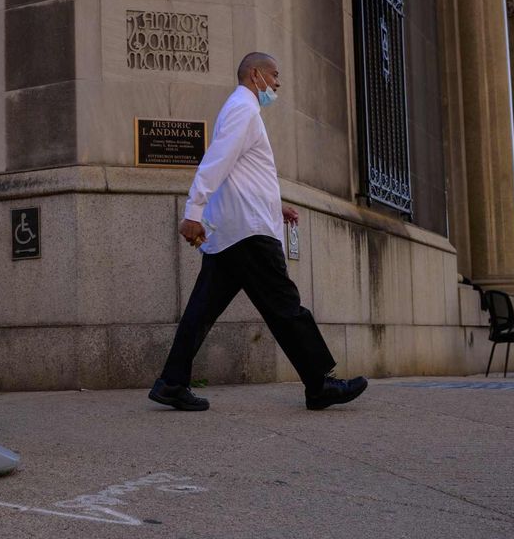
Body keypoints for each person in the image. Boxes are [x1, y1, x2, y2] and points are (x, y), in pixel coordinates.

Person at [148, 52, 368, 411]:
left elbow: (239, 172)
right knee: (286, 307)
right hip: (249, 236)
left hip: (235, 233)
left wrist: (274, 206)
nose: (278, 84)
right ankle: (319, 385)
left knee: (201, 311)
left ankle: (172, 383)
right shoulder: (244, 109)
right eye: (275, 75)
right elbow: (217, 160)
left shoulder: (242, 109)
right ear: (256, 75)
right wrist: (193, 210)